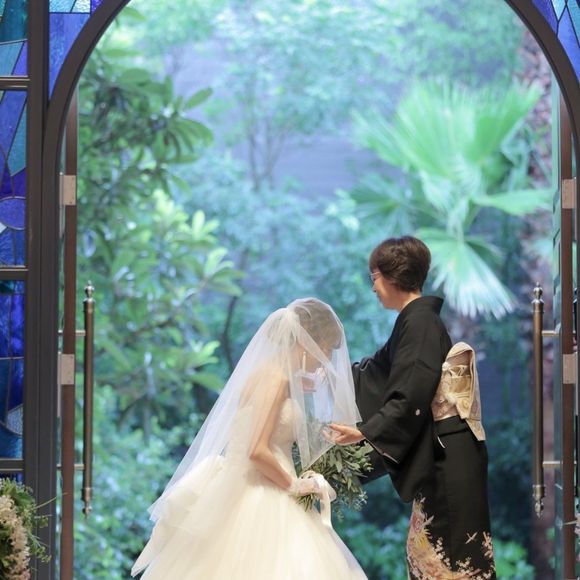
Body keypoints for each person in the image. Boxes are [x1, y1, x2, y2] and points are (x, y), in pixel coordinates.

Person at [131, 298, 367, 579]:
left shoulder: (271, 374)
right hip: (264, 491)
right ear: (308, 342)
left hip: (247, 486)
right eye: (326, 348)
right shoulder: (276, 379)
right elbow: (256, 450)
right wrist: (296, 485)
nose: (325, 358)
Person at [330, 236, 496, 579]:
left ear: (393, 275)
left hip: (448, 455)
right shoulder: (414, 321)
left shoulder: (420, 323)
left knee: (451, 561)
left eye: (374, 277)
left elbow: (412, 393)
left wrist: (366, 431)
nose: (373, 287)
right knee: (436, 557)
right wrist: (327, 377)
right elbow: (375, 372)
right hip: (443, 451)